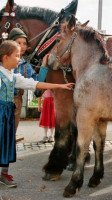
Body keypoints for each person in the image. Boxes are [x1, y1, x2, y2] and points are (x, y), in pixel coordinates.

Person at [0, 40, 74, 188]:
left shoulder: (12, 76)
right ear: (5, 57)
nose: (19, 59)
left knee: (7, 143)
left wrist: (60, 85)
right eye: (17, 55)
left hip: (8, 114)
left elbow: (34, 84)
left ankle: (3, 174)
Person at [7, 27, 49, 131]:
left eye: (24, 43)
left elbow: (37, 81)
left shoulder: (25, 66)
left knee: (11, 133)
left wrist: (43, 66)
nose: (22, 46)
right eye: (19, 43)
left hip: (16, 103)